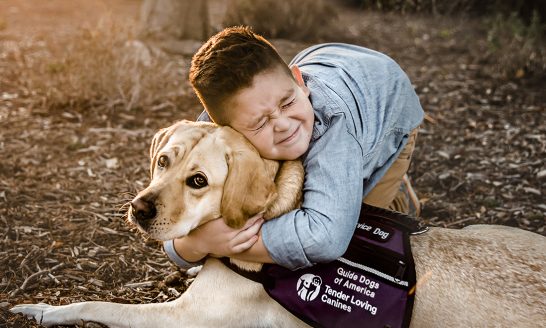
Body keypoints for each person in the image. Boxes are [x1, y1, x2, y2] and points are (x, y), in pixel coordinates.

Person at [162, 26, 424, 271]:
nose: (284, 125)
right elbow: (174, 199)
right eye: (260, 122)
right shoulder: (216, 134)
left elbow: (326, 238)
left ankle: (395, 192)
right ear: (225, 128)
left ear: (299, 81)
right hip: (332, 60)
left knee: (354, 233)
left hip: (386, 102)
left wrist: (223, 243)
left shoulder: (336, 126)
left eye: (287, 103)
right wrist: (195, 244)